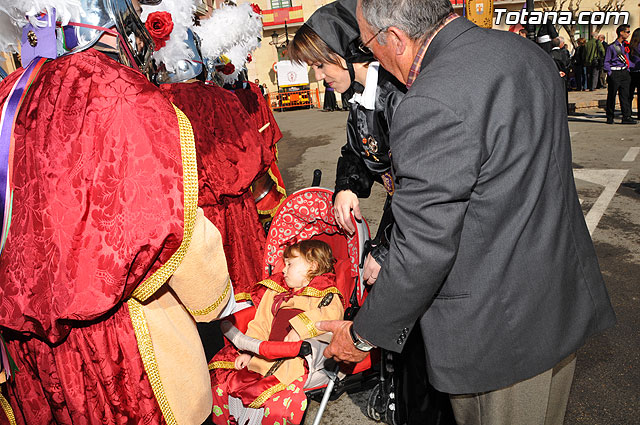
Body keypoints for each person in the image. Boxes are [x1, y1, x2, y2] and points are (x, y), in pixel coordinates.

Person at [318, 1, 617, 425]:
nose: (371, 57)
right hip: (558, 300)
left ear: (396, 39)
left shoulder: (429, 100)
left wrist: (362, 335)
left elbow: (422, 248)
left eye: (368, 43)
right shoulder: (524, 52)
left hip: (498, 336)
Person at [0, 1, 233, 424]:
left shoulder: (9, 97)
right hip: (125, 348)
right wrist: (213, 298)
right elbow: (170, 223)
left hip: (32, 356)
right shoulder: (119, 91)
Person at [288, 1, 455, 423]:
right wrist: (347, 186)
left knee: (414, 325)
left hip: (420, 223)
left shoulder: (400, 96)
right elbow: (355, 151)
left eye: (320, 65)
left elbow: (426, 193)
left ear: (344, 53)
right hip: (402, 214)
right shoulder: (362, 96)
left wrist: (383, 251)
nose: (318, 76)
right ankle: (399, 396)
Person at [210, 240, 344, 425]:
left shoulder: (327, 296)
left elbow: (330, 317)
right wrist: (248, 350)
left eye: (290, 264)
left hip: (294, 361)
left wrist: (300, 329)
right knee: (222, 385)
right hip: (262, 354)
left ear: (312, 266)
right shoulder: (275, 292)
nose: (283, 269)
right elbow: (261, 324)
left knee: (277, 405)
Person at [603, 24, 636, 124]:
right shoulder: (612, 47)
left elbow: (629, 59)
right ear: (621, 33)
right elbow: (606, 61)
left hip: (625, 72)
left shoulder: (627, 46)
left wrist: (629, 68)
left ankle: (626, 116)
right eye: (627, 32)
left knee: (625, 95)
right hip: (615, 72)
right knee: (612, 95)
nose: (629, 34)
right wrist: (610, 72)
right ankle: (610, 116)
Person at [551, 37, 570, 112]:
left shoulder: (549, 54)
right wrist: (564, 71)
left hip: (554, 76)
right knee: (564, 94)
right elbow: (567, 63)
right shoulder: (563, 53)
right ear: (560, 44)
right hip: (563, 75)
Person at [629, 28, 640, 120]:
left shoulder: (630, 46)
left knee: (629, 94)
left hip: (631, 72)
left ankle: (627, 113)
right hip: (639, 71)